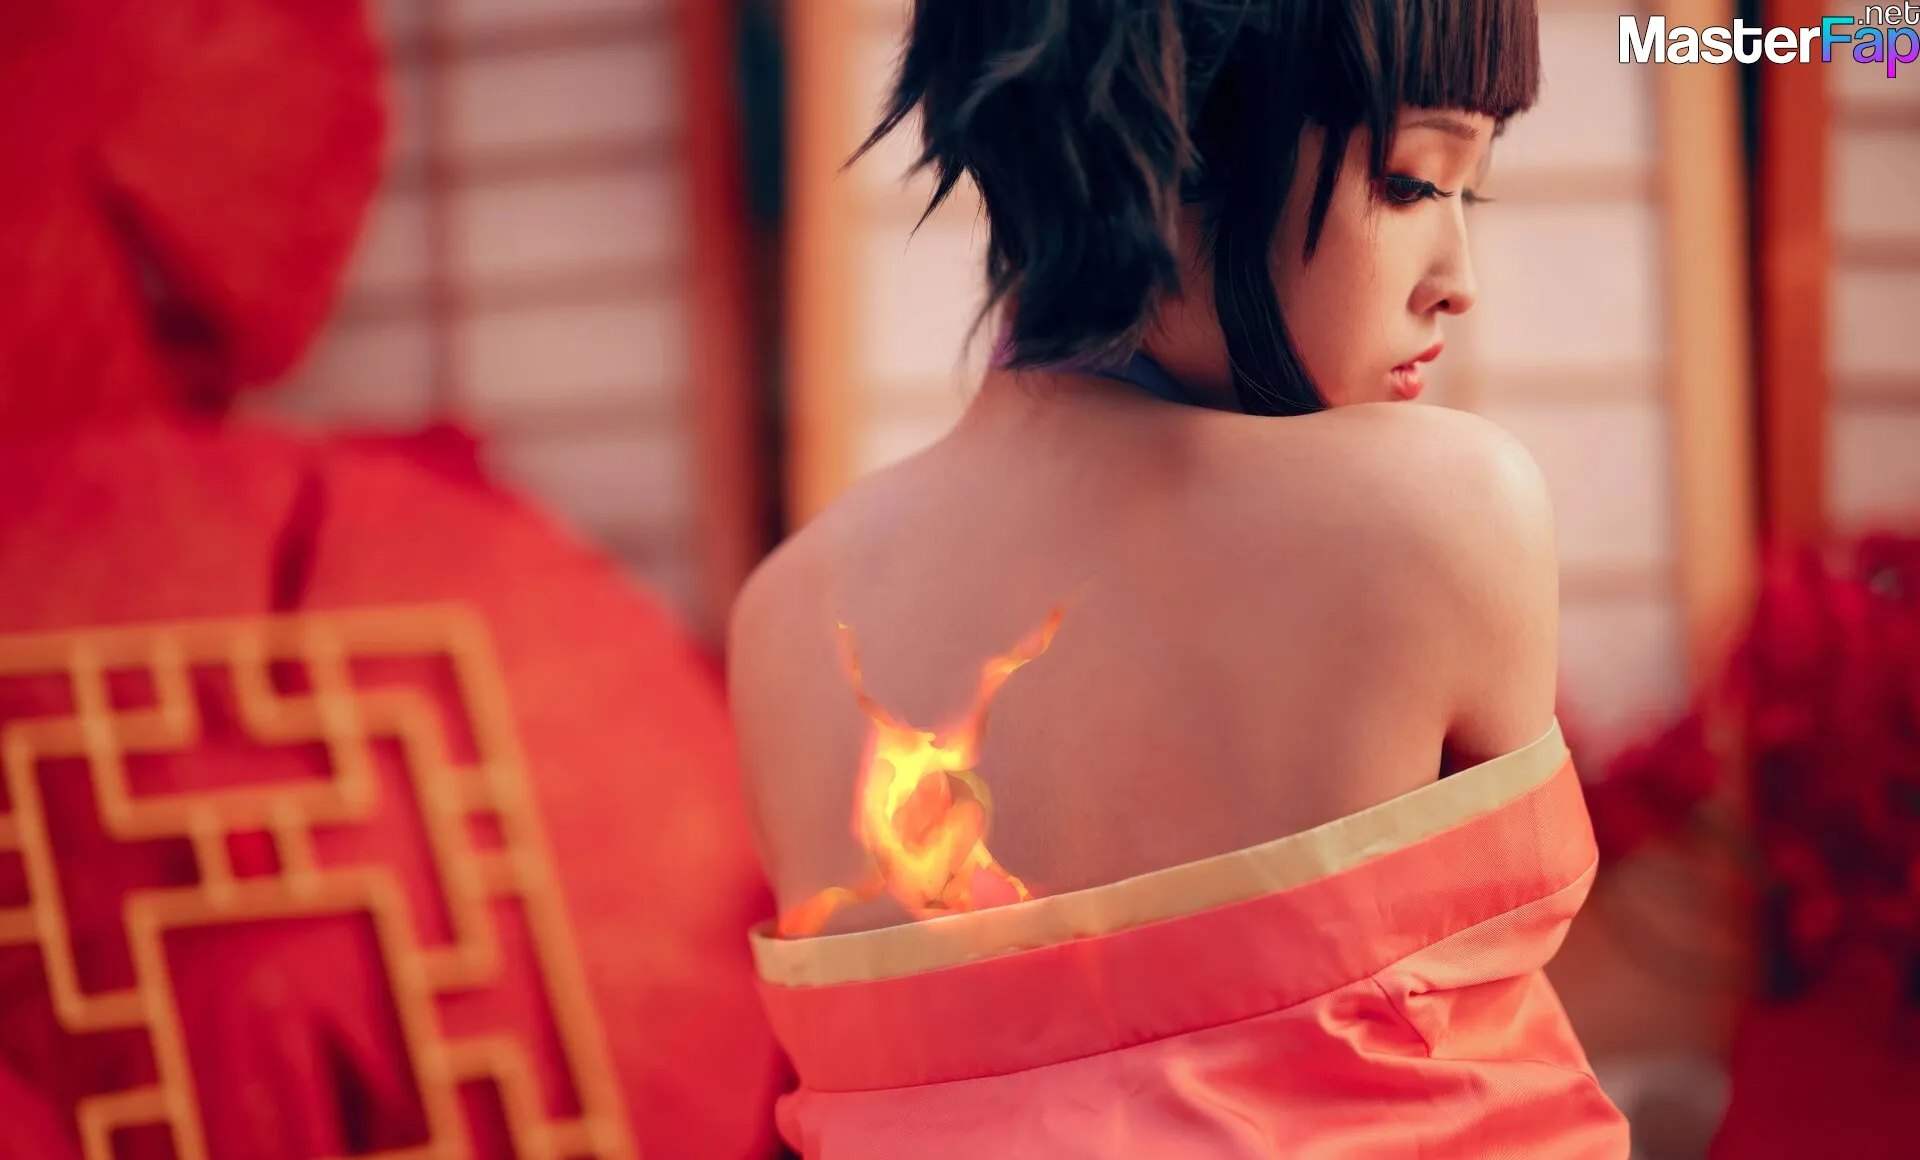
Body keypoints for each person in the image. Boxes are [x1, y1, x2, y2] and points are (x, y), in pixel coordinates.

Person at [727, 0, 1631, 1155]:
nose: (1458, 280)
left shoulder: (789, 614)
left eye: (1470, 190)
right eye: (1411, 182)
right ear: (1169, 150)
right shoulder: (1441, 511)